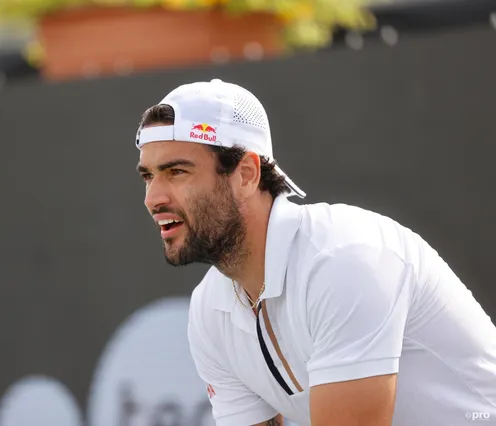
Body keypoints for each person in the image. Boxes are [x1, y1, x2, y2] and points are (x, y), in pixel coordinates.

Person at [134, 78, 496, 426]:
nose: (153, 199)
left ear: (245, 174)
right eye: (148, 176)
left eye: (177, 171)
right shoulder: (209, 309)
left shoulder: (345, 258)